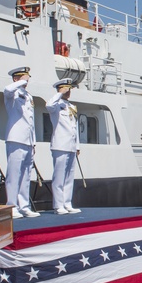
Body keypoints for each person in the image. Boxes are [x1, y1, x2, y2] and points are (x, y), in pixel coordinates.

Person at [4, 66, 37, 218]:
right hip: (16, 138)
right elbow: (7, 89)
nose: (27, 80)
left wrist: (33, 142)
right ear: (16, 78)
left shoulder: (28, 96)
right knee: (14, 174)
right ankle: (11, 205)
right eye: (24, 77)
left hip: (27, 140)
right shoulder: (13, 93)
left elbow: (31, 121)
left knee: (25, 174)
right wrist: (19, 82)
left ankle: (24, 205)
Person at [46, 77, 81, 214]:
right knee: (59, 176)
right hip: (60, 145)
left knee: (69, 176)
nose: (68, 92)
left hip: (71, 145)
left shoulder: (71, 107)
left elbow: (74, 127)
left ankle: (67, 203)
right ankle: (58, 205)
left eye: (69, 89)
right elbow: (48, 105)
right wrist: (59, 93)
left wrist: (77, 146)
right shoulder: (55, 105)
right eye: (66, 89)